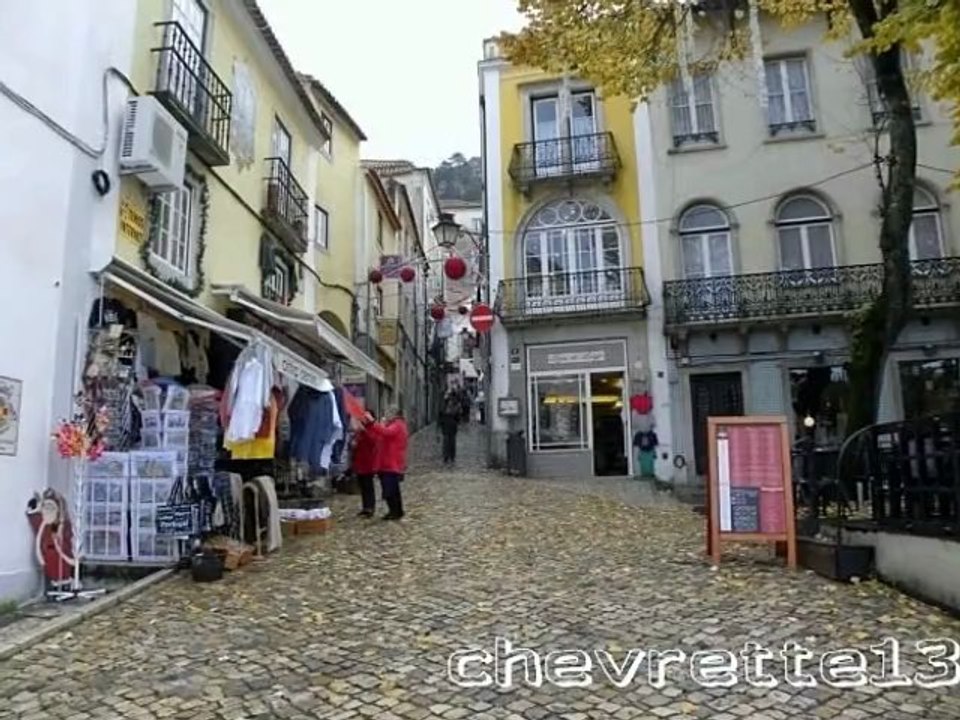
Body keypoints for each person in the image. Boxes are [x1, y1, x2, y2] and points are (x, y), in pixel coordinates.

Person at [365, 406, 409, 520]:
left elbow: (386, 433)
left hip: (390, 462)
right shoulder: (395, 424)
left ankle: (394, 512)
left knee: (389, 489)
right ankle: (397, 511)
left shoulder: (398, 425)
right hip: (387, 461)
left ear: (394, 414)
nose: (385, 415)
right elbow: (381, 435)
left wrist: (373, 422)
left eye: (387, 413)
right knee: (393, 489)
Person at [351, 416, 380, 517]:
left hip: (368, 462)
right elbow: (356, 444)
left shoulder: (373, 429)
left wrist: (364, 431)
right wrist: (354, 443)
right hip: (359, 462)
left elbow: (373, 442)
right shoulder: (360, 431)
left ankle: (370, 507)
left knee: (368, 486)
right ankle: (365, 506)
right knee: (362, 486)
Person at [439, 391, 460, 465]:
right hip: (449, 426)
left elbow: (457, 416)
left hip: (450, 426)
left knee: (449, 441)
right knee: (448, 441)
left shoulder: (454, 405)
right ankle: (448, 456)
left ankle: (449, 456)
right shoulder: (454, 405)